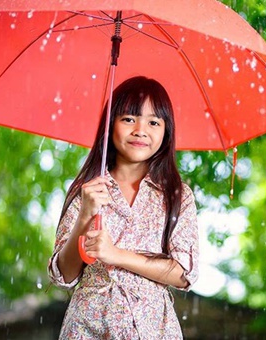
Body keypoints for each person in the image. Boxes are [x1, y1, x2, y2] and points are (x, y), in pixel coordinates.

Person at [48, 76, 199, 339]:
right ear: (110, 124)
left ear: (166, 132)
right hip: (88, 327)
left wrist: (115, 254)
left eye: (153, 122)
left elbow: (183, 273)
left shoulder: (177, 195)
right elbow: (64, 274)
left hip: (153, 330)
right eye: (129, 118)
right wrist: (85, 214)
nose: (140, 130)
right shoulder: (88, 190)